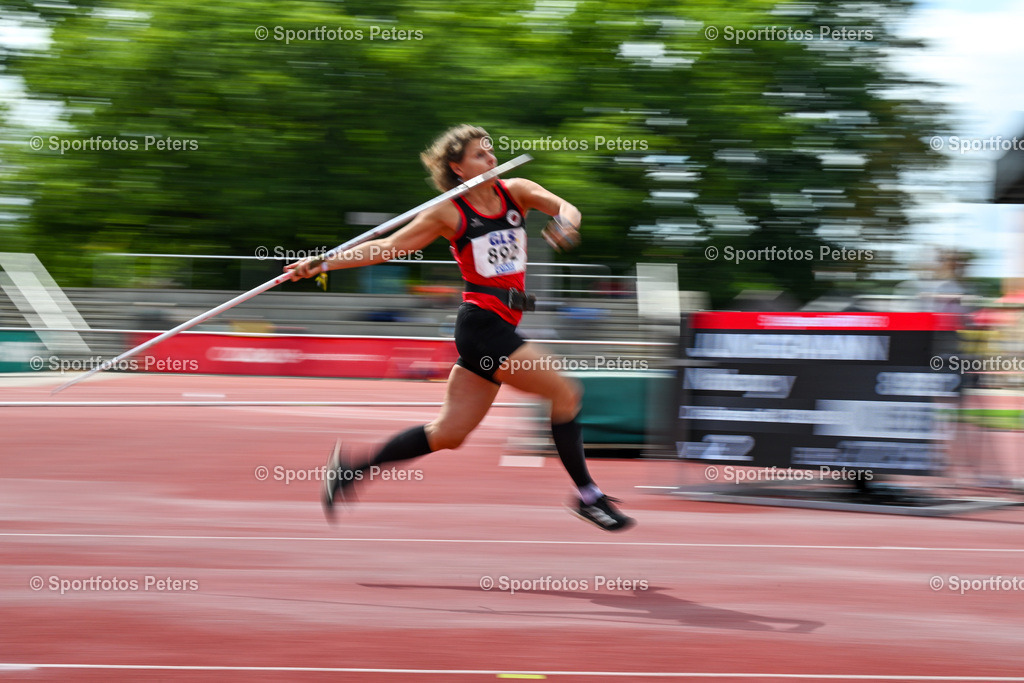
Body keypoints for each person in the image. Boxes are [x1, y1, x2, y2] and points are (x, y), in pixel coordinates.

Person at [286, 124, 634, 531]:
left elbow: (566, 208)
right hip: (482, 327)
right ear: (457, 167)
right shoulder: (448, 212)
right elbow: (388, 247)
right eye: (479, 155)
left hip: (499, 325)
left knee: (448, 434)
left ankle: (351, 470)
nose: (491, 159)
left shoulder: (516, 191)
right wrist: (323, 263)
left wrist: (567, 224)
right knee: (565, 391)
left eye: (491, 151)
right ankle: (589, 497)